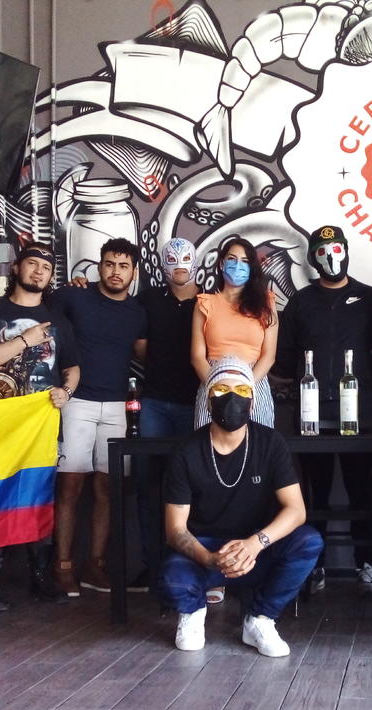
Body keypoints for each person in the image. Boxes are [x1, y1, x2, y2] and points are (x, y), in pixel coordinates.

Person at [161, 357, 323, 656]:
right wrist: (211, 559)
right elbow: (175, 530)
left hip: (256, 550)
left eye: (242, 391)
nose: (232, 398)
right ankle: (193, 613)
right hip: (205, 550)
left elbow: (296, 510)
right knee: (173, 573)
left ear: (252, 401)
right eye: (222, 390)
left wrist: (255, 544)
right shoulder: (186, 450)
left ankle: (260, 618)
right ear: (208, 400)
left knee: (308, 541)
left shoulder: (270, 442)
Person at [274, 224, 372, 591]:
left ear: (346, 251)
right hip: (312, 414)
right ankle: (314, 566)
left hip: (360, 414)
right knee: (313, 494)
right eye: (322, 252)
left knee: (361, 491)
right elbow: (285, 355)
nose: (331, 257)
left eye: (336, 249)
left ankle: (367, 564)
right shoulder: (301, 301)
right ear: (312, 259)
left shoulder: (369, 297)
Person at [0, 242, 80, 603]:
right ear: (16, 268)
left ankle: (40, 575)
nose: (38, 272)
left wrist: (66, 391)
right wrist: (24, 340)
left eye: (45, 268)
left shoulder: (58, 320)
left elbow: (72, 368)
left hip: (40, 427)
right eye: (32, 264)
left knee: (39, 498)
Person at [49, 238, 146, 598]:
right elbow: (30, 308)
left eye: (123, 266)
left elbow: (148, 353)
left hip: (118, 406)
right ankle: (62, 567)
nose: (115, 272)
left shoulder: (137, 312)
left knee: (108, 488)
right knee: (70, 485)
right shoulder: (73, 297)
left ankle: (95, 566)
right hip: (76, 402)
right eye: (109, 264)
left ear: (134, 271)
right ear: (99, 266)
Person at [134, 238, 202, 591]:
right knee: (148, 485)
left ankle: (193, 563)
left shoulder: (208, 300)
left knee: (196, 484)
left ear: (196, 260)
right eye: (172, 258)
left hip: (196, 405)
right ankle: (153, 565)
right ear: (162, 263)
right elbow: (140, 347)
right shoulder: (147, 300)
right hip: (155, 403)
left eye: (185, 257)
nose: (179, 264)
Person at [191, 237, 277, 428]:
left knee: (256, 442)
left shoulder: (266, 303)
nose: (238, 265)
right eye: (232, 259)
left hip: (254, 381)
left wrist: (245, 386)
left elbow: (269, 355)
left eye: (245, 261)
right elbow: (197, 356)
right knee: (210, 442)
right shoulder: (204, 303)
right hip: (213, 380)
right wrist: (217, 385)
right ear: (222, 263)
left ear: (252, 268)